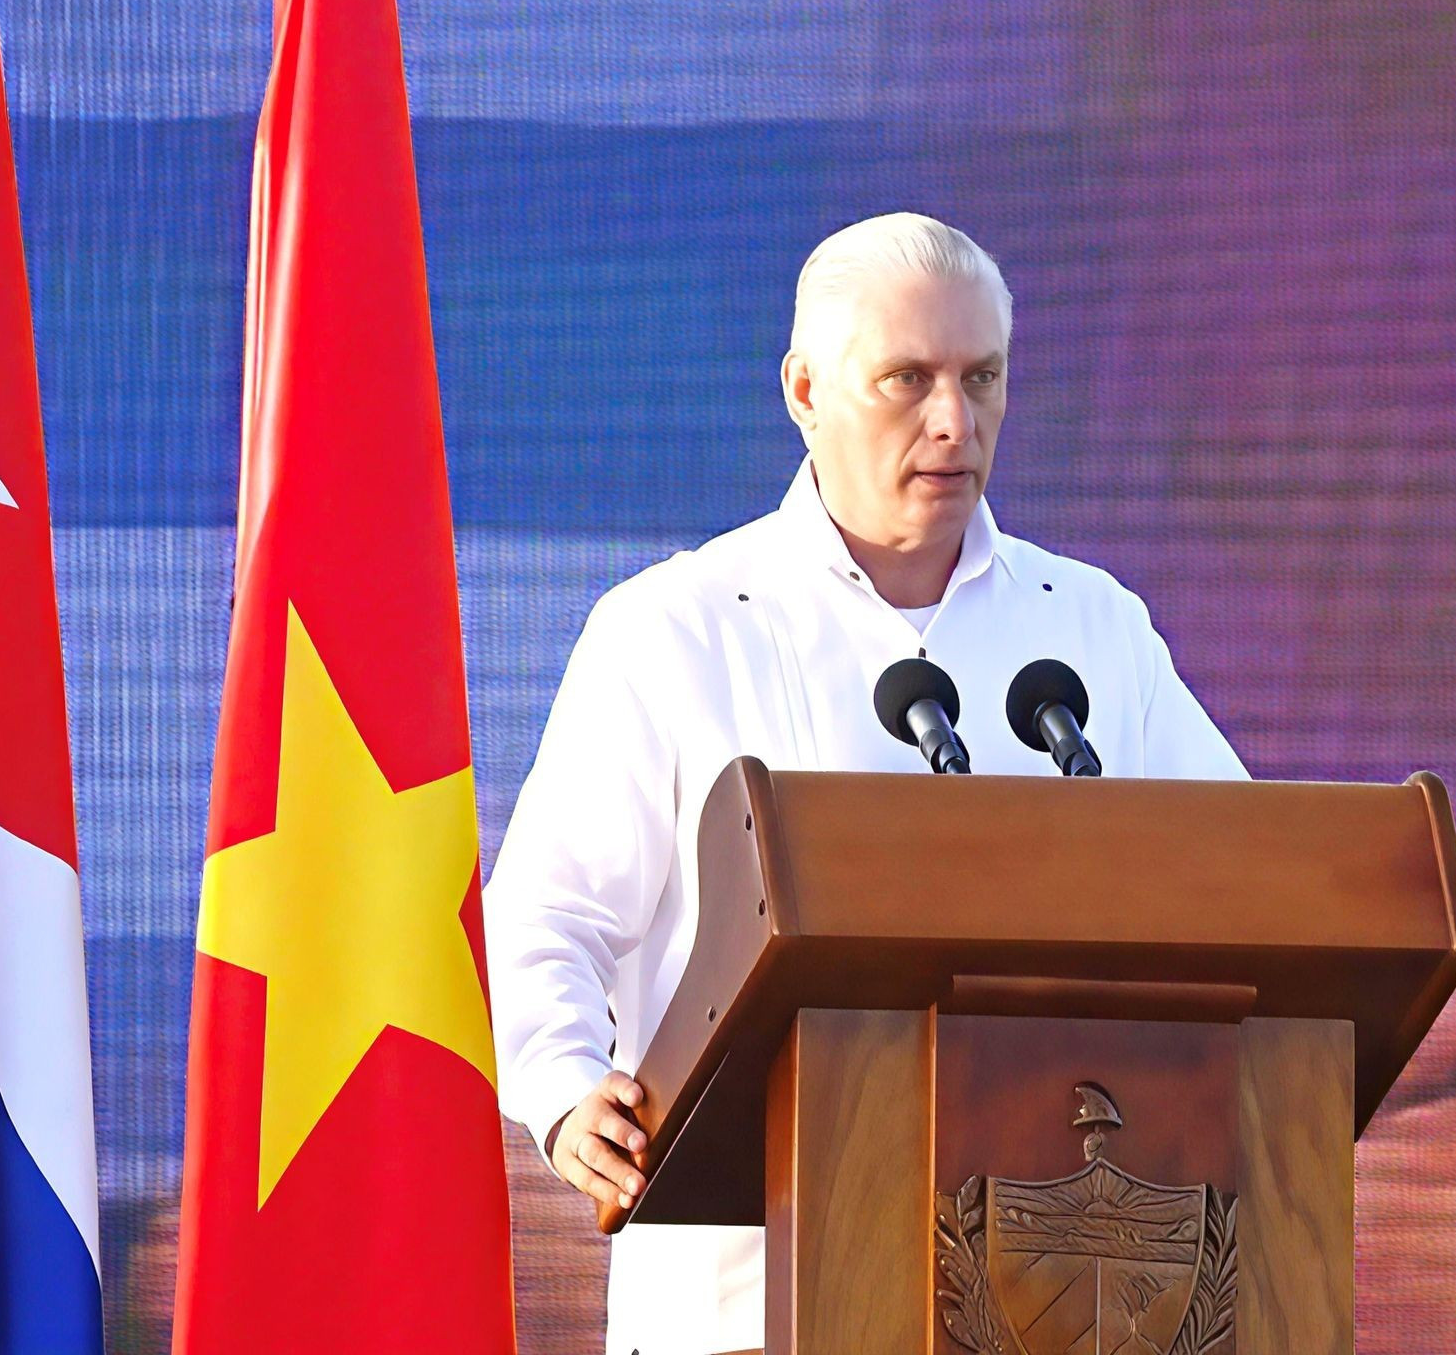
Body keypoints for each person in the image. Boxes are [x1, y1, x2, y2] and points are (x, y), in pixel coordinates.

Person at [484, 212, 1247, 1354]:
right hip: (749, 1297)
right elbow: (547, 913)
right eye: (907, 379)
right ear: (803, 389)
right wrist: (563, 1088)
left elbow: (1244, 881)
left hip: (1057, 1304)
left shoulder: (1091, 628)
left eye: (981, 377)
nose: (955, 419)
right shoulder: (677, 628)